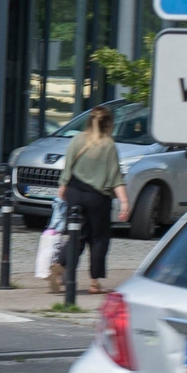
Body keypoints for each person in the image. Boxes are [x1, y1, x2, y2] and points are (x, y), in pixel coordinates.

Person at [59, 105, 128, 295]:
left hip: (74, 191)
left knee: (76, 234)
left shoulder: (77, 139)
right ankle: (94, 283)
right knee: (99, 239)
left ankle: (61, 264)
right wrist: (124, 202)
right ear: (109, 124)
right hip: (97, 197)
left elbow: (67, 168)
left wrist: (63, 186)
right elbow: (115, 178)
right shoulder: (108, 145)